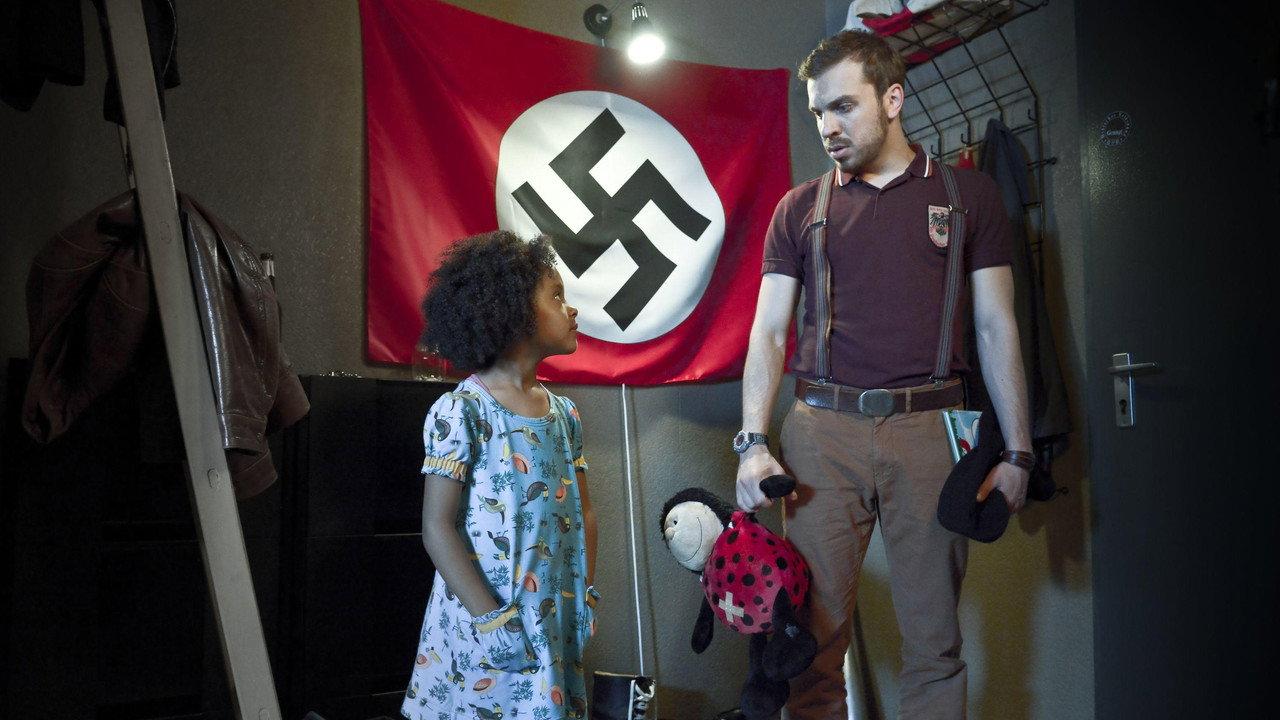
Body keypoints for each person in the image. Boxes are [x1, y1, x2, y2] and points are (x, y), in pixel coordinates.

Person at [733, 30, 1033, 720]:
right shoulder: (799, 209)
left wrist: (1019, 451)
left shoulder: (968, 196)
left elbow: (997, 326)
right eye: (818, 112)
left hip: (931, 431)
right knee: (808, 644)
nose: (827, 127)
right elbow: (769, 331)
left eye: (843, 107)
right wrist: (752, 443)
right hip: (821, 436)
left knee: (935, 645)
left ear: (892, 99)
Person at [401, 230, 599, 720]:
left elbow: (585, 514)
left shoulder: (565, 415)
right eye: (556, 296)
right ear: (511, 312)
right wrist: (490, 619)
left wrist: (585, 594)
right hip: (484, 622)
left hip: (550, 618)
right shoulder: (461, 412)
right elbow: (437, 527)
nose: (571, 309)